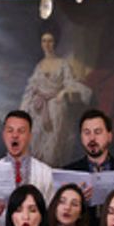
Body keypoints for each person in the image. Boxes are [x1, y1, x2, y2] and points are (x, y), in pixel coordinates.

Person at [19, 30, 92, 168]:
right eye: (44, 41)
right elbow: (31, 89)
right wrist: (23, 112)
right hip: (38, 111)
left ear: (55, 43)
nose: (47, 44)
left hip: (56, 108)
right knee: (37, 146)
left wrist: (63, 92)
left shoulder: (63, 63)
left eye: (50, 41)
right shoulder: (39, 66)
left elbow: (70, 83)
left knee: (53, 148)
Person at [62, 109, 114, 226]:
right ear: (81, 137)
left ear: (109, 136)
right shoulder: (69, 171)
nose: (92, 138)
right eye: (87, 133)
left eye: (98, 132)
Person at [0, 110, 54, 197]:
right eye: (10, 130)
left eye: (21, 131)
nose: (15, 135)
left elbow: (50, 207)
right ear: (3, 135)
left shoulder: (46, 173)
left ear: (30, 136)